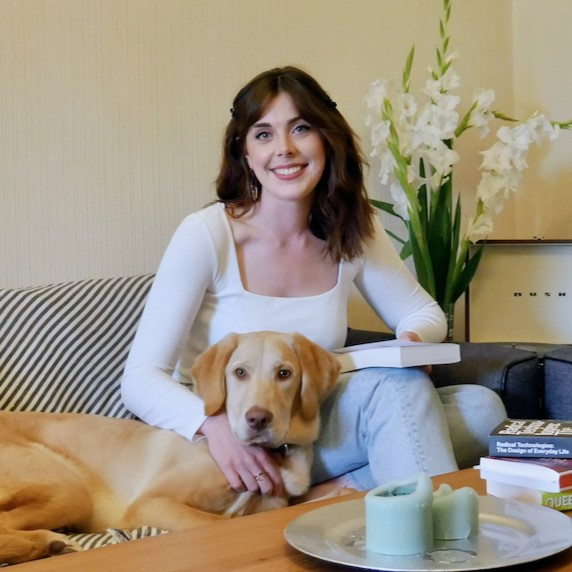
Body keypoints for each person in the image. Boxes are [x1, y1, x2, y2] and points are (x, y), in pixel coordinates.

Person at [122, 66, 506, 495]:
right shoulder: (207, 234)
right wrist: (213, 427)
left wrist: (414, 337)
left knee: (482, 408)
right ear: (244, 152)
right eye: (263, 134)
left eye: (301, 129)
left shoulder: (353, 229)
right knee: (399, 389)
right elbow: (140, 378)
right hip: (229, 432)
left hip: (303, 424)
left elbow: (422, 312)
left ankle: (331, 491)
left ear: (327, 138)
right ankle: (428, 540)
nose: (284, 149)